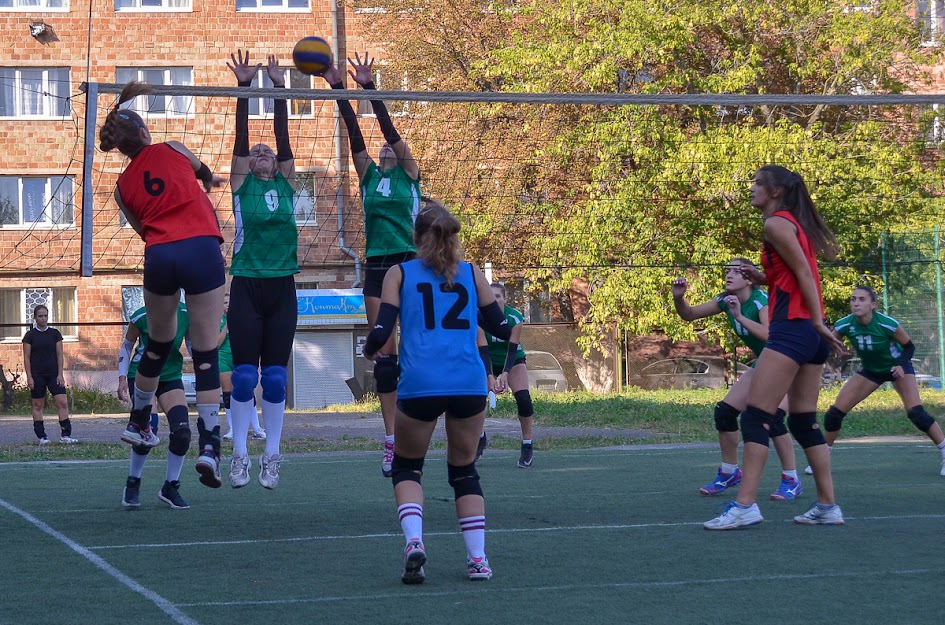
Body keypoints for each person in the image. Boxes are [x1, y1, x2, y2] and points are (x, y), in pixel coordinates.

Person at [363, 200, 512, 584]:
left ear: (416, 238)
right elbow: (499, 327)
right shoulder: (473, 273)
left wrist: (370, 350)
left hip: (421, 385)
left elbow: (382, 331)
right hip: (468, 383)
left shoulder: (400, 272)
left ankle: (415, 543)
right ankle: (478, 560)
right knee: (464, 472)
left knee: (407, 467)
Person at [100, 80, 227, 489]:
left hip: (161, 254)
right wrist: (211, 182)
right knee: (206, 351)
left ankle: (139, 421)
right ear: (143, 133)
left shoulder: (121, 187)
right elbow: (204, 172)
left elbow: (142, 230)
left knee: (157, 344)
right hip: (201, 247)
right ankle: (209, 446)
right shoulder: (171, 147)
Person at [704, 165, 845, 530]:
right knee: (802, 422)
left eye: (757, 184)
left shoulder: (776, 224)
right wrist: (763, 276)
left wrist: (815, 321)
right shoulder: (791, 225)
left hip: (794, 330)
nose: (752, 188)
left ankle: (745, 505)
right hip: (805, 332)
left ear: (776, 191)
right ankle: (828, 507)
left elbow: (804, 274)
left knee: (756, 416)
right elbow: (792, 273)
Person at [321, 52, 421, 478]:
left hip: (411, 263)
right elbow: (356, 137)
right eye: (382, 149)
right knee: (385, 355)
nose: (384, 147)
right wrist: (339, 89)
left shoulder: (409, 173)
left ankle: (452, 416)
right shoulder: (367, 176)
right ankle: (391, 441)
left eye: (391, 146)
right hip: (378, 265)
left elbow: (387, 130)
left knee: (422, 346)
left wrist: (369, 89)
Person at [225, 50, 299, 490]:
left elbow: (283, 136)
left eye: (267, 151)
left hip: (282, 286)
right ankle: (239, 455)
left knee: (274, 375)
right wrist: (244, 88)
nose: (263, 151)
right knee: (245, 374)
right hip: (248, 285)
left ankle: (272, 454)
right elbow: (240, 140)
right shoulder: (241, 185)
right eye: (257, 152)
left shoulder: (289, 185)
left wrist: (276, 87)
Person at [672, 259, 802, 500]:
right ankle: (730, 472)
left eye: (736, 271)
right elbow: (689, 315)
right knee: (725, 412)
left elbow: (769, 333)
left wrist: (739, 316)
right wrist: (679, 298)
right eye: (728, 270)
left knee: (773, 419)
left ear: (750, 279)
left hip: (788, 362)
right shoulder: (725, 300)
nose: (729, 275)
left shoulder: (761, 301)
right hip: (766, 362)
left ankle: (791, 479)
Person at [803, 285, 945, 476]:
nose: (856, 303)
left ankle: (944, 452)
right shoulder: (845, 324)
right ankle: (822, 459)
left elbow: (909, 347)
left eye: (861, 299)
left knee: (916, 414)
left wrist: (901, 366)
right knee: (834, 414)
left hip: (897, 368)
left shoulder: (887, 324)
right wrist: (835, 349)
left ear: (873, 305)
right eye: (853, 299)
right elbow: (830, 343)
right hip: (871, 371)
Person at [117, 301, 192, 509]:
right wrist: (122, 377)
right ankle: (133, 483)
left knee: (183, 431)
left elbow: (195, 345)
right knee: (147, 427)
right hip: (141, 375)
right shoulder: (142, 315)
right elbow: (127, 346)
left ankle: (171, 486)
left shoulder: (187, 313)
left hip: (170, 377)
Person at [477, 283, 537, 468]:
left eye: (498, 296)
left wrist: (505, 374)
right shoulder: (478, 317)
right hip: (486, 359)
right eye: (490, 296)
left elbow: (512, 351)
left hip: (512, 360)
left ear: (504, 299)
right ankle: (480, 438)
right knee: (474, 399)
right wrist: (489, 376)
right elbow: (483, 351)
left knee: (524, 399)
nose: (494, 300)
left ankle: (527, 445)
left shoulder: (514, 318)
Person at [22, 304, 76, 445]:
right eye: (40, 316)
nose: (43, 318)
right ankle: (42, 437)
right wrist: (29, 377)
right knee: (38, 405)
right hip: (37, 375)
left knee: (62, 403)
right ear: (35, 317)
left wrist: (60, 374)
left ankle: (65, 435)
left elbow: (59, 354)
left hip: (53, 374)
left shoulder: (55, 334)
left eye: (45, 315)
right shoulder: (30, 336)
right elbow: (26, 357)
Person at [219, 292, 266, 442]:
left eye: (230, 303)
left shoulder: (242, 317)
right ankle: (233, 429)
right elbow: (216, 343)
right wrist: (227, 325)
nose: (228, 306)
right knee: (228, 394)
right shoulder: (217, 321)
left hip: (240, 356)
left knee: (247, 390)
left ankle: (256, 428)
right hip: (223, 358)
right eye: (225, 303)